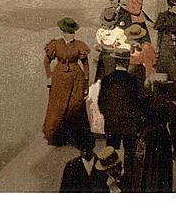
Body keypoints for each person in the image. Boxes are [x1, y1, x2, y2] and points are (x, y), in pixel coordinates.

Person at [43, 18, 91, 147]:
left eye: (72, 32)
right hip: (59, 79)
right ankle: (56, 136)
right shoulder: (55, 44)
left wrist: (86, 80)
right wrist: (49, 76)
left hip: (76, 79)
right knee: (58, 106)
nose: (70, 35)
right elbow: (46, 61)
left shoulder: (79, 45)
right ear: (62, 32)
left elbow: (85, 64)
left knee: (75, 106)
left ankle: (75, 136)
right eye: (68, 32)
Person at [130, 74, 176, 192]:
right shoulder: (170, 106)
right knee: (162, 168)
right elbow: (173, 129)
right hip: (163, 138)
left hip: (148, 137)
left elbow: (138, 122)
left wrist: (139, 137)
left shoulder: (145, 102)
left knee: (147, 167)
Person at [98, 49, 143, 184]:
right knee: (129, 152)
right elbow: (137, 103)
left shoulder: (107, 79)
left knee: (111, 151)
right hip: (129, 123)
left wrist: (107, 115)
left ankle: (112, 178)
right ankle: (129, 179)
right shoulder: (132, 80)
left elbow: (101, 102)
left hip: (112, 122)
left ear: (116, 61)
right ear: (127, 62)